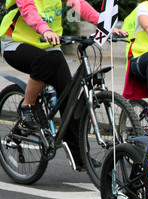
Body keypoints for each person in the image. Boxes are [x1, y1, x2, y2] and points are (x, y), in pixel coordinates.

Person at [0, 0, 127, 171]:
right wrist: (45, 29)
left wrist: (105, 26)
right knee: (46, 62)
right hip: (15, 42)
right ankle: (27, 106)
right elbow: (28, 9)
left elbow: (79, 4)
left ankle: (79, 156)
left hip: (48, 43)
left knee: (70, 97)